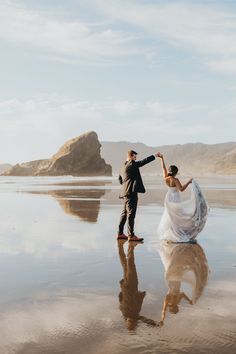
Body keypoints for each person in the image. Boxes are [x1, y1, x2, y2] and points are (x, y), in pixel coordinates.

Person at [157, 153, 208, 243]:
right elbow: (181, 189)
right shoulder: (175, 180)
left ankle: (172, 232)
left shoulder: (166, 178)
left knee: (171, 216)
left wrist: (162, 159)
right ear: (176, 172)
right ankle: (179, 233)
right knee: (178, 216)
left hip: (169, 197)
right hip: (175, 198)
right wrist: (189, 182)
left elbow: (163, 168)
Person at [117, 150, 159, 241]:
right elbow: (143, 162)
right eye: (135, 156)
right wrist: (154, 155)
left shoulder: (122, 166)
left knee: (124, 214)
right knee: (131, 214)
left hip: (124, 193)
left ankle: (120, 233)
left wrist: (127, 183)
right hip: (131, 193)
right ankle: (131, 235)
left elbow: (120, 180)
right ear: (132, 156)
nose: (136, 158)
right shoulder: (132, 163)